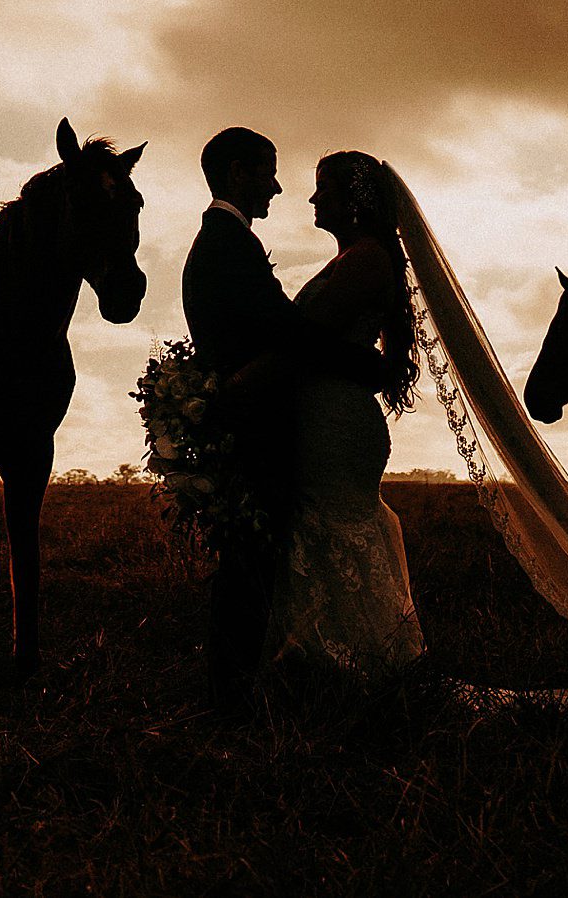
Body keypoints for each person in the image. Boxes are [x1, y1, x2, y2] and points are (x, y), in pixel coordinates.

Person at [181, 127, 386, 711]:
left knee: (256, 557)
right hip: (261, 425)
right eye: (268, 173)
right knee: (250, 560)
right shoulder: (227, 244)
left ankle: (252, 685)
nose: (279, 188)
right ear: (239, 173)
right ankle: (234, 693)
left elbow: (287, 331)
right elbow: (289, 332)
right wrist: (363, 365)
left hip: (286, 422)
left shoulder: (228, 242)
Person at [272, 150, 427, 680]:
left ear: (355, 201)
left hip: (336, 423)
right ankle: (330, 662)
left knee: (333, 531)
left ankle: (361, 666)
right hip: (327, 413)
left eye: (324, 189)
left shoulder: (366, 259)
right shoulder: (353, 258)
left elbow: (307, 339)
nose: (313, 199)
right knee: (319, 534)